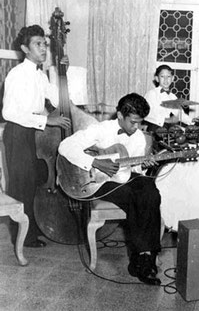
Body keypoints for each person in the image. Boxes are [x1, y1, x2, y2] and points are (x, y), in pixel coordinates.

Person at [58, 93, 162, 285]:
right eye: (132, 122)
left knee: (150, 190)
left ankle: (144, 255)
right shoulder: (100, 129)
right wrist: (96, 162)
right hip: (97, 181)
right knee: (134, 196)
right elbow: (65, 146)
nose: (136, 127)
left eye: (140, 123)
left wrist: (146, 164)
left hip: (123, 176)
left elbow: (135, 170)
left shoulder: (138, 137)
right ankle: (143, 260)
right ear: (120, 116)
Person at [2, 25, 71, 248]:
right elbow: (9, 113)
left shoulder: (40, 75)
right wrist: (46, 121)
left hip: (34, 133)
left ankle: (31, 230)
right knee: (21, 186)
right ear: (25, 48)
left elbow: (59, 101)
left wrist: (63, 73)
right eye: (37, 44)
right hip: (17, 133)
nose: (43, 49)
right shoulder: (16, 75)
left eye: (45, 44)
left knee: (34, 182)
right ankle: (23, 237)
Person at [143, 64, 192, 132]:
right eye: (162, 76)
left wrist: (192, 121)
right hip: (154, 128)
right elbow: (146, 114)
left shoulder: (173, 97)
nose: (166, 80)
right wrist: (167, 120)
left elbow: (180, 114)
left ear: (172, 78)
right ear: (157, 78)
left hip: (168, 128)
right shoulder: (151, 94)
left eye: (168, 76)